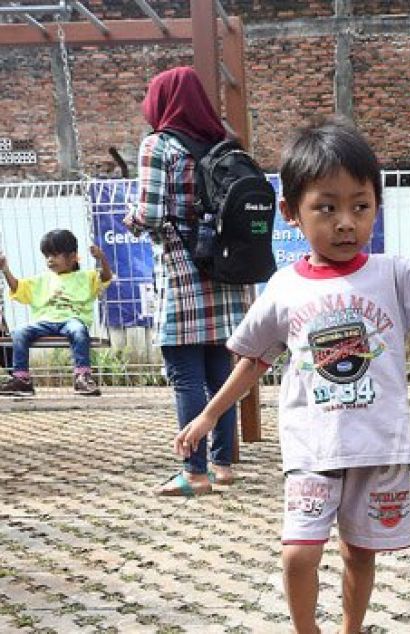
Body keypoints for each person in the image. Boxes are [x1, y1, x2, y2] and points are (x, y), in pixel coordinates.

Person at [173, 117, 410, 634]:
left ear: (376, 206)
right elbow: (254, 359)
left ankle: (352, 629)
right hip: (312, 449)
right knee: (298, 555)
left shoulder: (393, 274)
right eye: (326, 207)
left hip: (377, 448)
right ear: (291, 213)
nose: (345, 221)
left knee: (359, 554)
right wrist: (208, 416)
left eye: (360, 205)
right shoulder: (284, 287)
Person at [124, 66, 253, 496]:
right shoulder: (221, 144)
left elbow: (150, 215)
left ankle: (194, 473)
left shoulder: (159, 145)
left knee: (184, 376)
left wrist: (131, 217)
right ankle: (222, 464)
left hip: (183, 274)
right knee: (221, 373)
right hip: (226, 272)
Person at [0, 230, 112, 396]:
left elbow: (105, 277)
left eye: (55, 255)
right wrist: (5, 269)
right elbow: (17, 287)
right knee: (19, 332)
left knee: (79, 331)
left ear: (73, 257)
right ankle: (22, 379)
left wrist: (101, 258)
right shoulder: (41, 280)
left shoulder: (86, 277)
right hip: (44, 322)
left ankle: (82, 376)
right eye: (47, 256)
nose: (50, 260)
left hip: (72, 319)